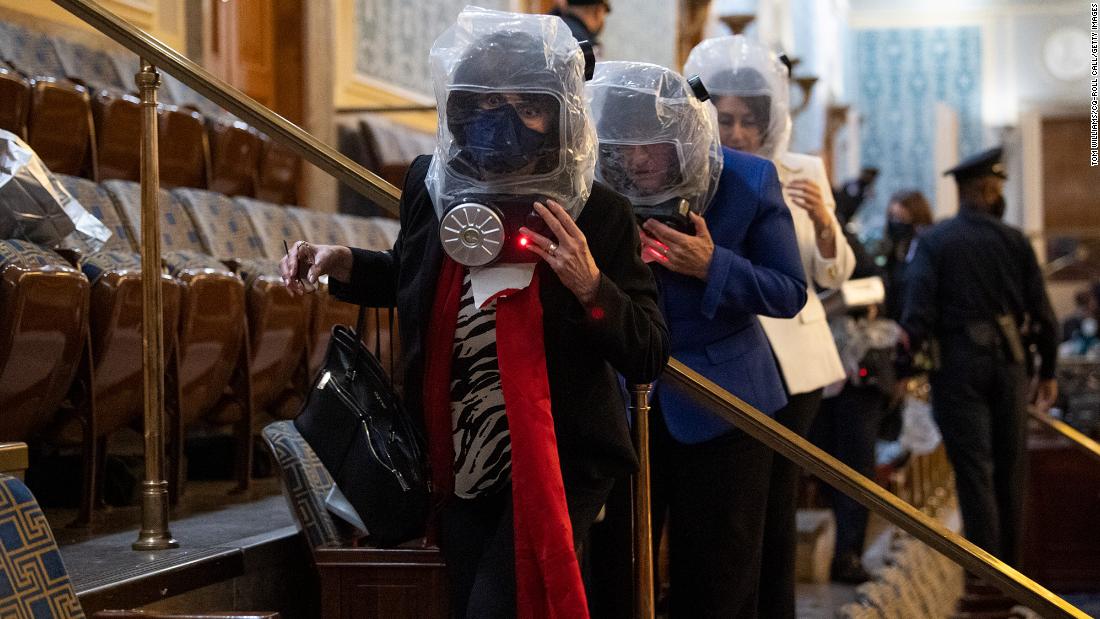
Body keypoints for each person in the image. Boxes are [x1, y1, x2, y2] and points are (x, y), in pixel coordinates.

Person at [280, 9, 668, 618]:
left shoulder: (599, 211)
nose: (504, 121)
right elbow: (414, 279)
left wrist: (592, 286)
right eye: (487, 101)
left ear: (559, 114)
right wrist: (343, 263)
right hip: (455, 459)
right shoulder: (430, 188)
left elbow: (646, 348)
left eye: (526, 105)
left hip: (555, 462)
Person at [588, 60, 806, 618]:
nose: (636, 160)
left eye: (653, 147)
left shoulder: (748, 179)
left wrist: (714, 266)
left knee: (720, 576)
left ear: (684, 138)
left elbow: (789, 292)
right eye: (625, 146)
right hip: (621, 397)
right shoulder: (597, 180)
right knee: (616, 570)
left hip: (725, 404)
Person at [685, 35, 856, 618]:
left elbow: (833, 272)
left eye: (745, 120)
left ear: (766, 121)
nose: (734, 132)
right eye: (723, 119)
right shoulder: (695, 168)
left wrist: (827, 224)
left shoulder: (802, 168)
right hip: (728, 357)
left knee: (776, 504)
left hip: (795, 355)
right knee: (730, 514)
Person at [900, 146, 1059, 569]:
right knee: (1011, 471)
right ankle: (1017, 576)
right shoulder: (1015, 240)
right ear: (990, 191)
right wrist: (1048, 370)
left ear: (963, 192)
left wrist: (905, 369)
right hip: (1010, 364)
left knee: (973, 473)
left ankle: (986, 580)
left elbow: (917, 316)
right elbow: (1044, 315)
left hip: (956, 365)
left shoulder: (933, 241)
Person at [881, 190, 933, 321]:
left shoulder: (925, 247)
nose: (896, 222)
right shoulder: (893, 250)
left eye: (902, 218)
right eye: (893, 217)